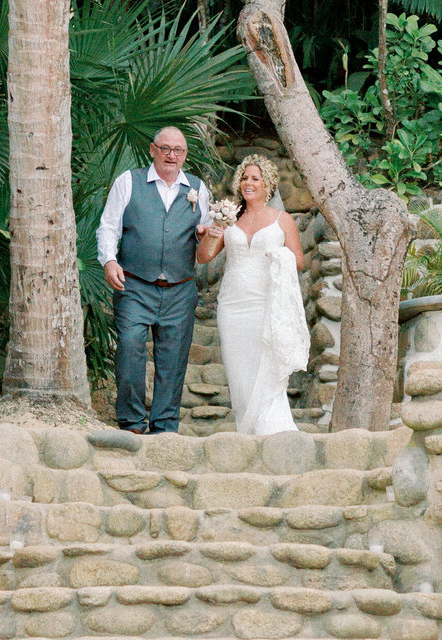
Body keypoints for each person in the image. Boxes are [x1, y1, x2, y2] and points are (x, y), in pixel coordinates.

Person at [97, 127, 211, 434]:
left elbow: (206, 243)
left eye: (179, 150)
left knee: (173, 358)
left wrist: (206, 235)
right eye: (165, 148)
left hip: (180, 288)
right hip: (134, 284)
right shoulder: (129, 182)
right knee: (131, 345)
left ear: (185, 154)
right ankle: (132, 421)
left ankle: (164, 425)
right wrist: (109, 260)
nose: (172, 155)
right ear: (152, 150)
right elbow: (108, 227)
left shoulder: (198, 189)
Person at [197, 153, 309, 436]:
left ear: (267, 184)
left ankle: (273, 430)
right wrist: (212, 233)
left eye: (255, 178)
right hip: (232, 306)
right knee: (239, 372)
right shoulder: (230, 218)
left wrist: (278, 255)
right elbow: (204, 258)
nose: (248, 182)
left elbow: (298, 261)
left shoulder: (282, 220)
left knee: (266, 369)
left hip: (265, 303)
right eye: (244, 177)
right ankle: (246, 429)